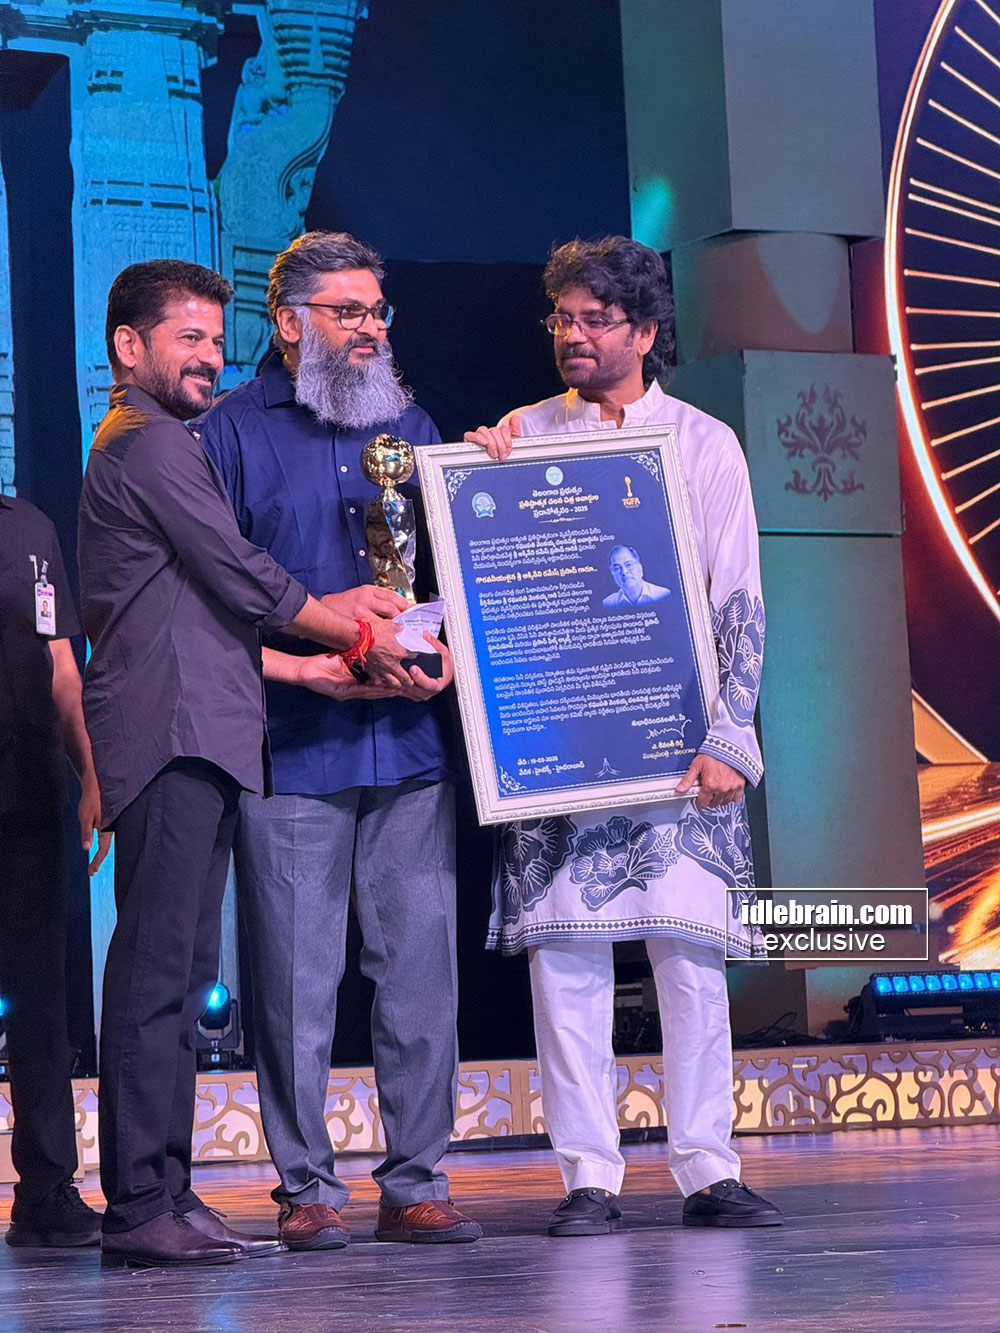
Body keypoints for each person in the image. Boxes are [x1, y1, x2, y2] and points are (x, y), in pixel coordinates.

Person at [79, 259, 414, 1269]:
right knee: (156, 978)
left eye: (216, 341)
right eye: (188, 338)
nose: (209, 358)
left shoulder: (157, 441)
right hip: (171, 731)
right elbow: (242, 574)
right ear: (129, 345)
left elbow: (209, 600)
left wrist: (316, 652)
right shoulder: (146, 443)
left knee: (184, 977)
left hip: (205, 728)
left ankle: (167, 1190)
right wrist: (353, 632)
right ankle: (139, 1203)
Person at [465, 236, 782, 1236]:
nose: (572, 334)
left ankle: (708, 1167)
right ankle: (587, 1177)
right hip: (563, 743)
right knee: (565, 960)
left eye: (595, 319)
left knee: (688, 956)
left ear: (645, 332)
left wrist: (730, 736)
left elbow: (737, 595)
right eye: (561, 317)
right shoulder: (520, 435)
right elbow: (492, 579)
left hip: (678, 744)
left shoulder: (702, 442)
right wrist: (472, 487)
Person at [197, 231, 482, 1250]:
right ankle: (306, 1186)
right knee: (293, 981)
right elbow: (209, 599)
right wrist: (311, 656)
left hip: (407, 744)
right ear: (287, 322)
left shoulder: (411, 424)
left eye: (376, 312)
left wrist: (443, 648)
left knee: (420, 975)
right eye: (346, 311)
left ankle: (418, 1181)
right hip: (292, 742)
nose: (369, 329)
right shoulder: (228, 435)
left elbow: (455, 573)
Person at [0, 495, 109, 1247]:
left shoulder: (31, 527)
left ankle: (45, 1192)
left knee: (41, 1000)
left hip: (28, 792)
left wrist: (90, 772)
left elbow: (63, 664)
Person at [602, 544, 670, 607]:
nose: (624, 572)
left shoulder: (663, 595)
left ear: (640, 568)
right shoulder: (609, 603)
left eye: (628, 565)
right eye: (617, 568)